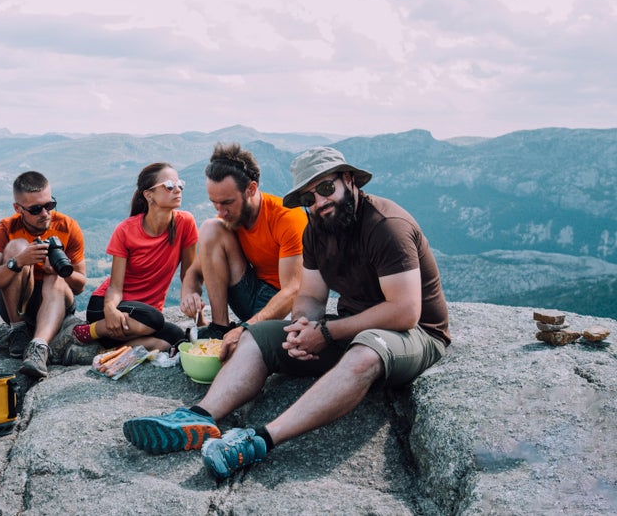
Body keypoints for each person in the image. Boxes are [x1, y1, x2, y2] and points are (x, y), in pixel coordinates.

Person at [123, 147, 450, 481]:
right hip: (352, 327)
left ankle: (258, 441)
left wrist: (325, 334)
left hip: (415, 334)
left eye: (325, 189)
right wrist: (299, 328)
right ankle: (198, 416)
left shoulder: (385, 226)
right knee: (257, 337)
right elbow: (309, 294)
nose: (319, 202)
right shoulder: (318, 229)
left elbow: (405, 311)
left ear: (348, 180)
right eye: (309, 197)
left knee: (365, 352)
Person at [179, 142, 308, 360]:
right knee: (211, 227)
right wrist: (188, 294)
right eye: (215, 203)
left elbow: (293, 290)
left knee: (213, 225)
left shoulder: (287, 218)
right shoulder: (228, 220)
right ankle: (219, 328)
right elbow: (195, 272)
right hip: (251, 291)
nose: (221, 211)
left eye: (227, 203)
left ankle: (239, 333)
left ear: (251, 189)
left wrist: (246, 328)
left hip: (282, 310)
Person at [69, 163, 199, 358]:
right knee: (154, 319)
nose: (177, 190)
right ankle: (89, 332)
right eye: (169, 186)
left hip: (142, 322)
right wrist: (110, 309)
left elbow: (189, 275)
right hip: (108, 311)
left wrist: (200, 317)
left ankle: (107, 352)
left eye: (180, 184)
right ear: (149, 195)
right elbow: (115, 286)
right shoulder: (126, 230)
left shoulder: (185, 223)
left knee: (177, 338)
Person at [0, 171, 87, 379]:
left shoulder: (67, 227)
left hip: (57, 301)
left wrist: (60, 270)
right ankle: (18, 329)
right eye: (36, 209)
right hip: (19, 304)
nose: (45, 213)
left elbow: (80, 284)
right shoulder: (6, 229)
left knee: (53, 278)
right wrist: (17, 262)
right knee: (16, 247)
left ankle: (38, 347)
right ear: (18, 208)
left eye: (49, 205)